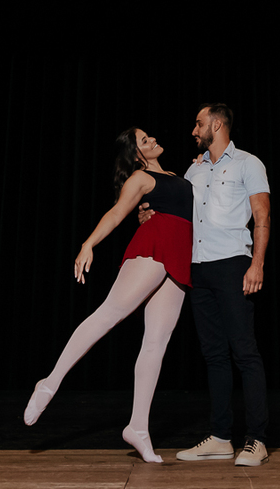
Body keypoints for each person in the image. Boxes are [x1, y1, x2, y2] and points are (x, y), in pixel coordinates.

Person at [23, 127, 192, 464]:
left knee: (157, 342)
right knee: (109, 313)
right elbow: (117, 213)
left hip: (180, 253)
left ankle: (138, 427)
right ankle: (50, 382)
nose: (153, 139)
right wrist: (88, 244)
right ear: (137, 155)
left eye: (150, 136)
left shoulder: (177, 174)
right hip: (154, 247)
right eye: (145, 141)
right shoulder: (140, 179)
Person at [140, 102, 271, 467]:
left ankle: (257, 439)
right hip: (197, 268)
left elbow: (262, 215)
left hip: (233, 264)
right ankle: (221, 436)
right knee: (213, 356)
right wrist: (148, 215)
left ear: (216, 124)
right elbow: (176, 217)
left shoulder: (248, 163)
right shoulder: (193, 171)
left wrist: (256, 263)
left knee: (244, 352)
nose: (194, 131)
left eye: (199, 124)